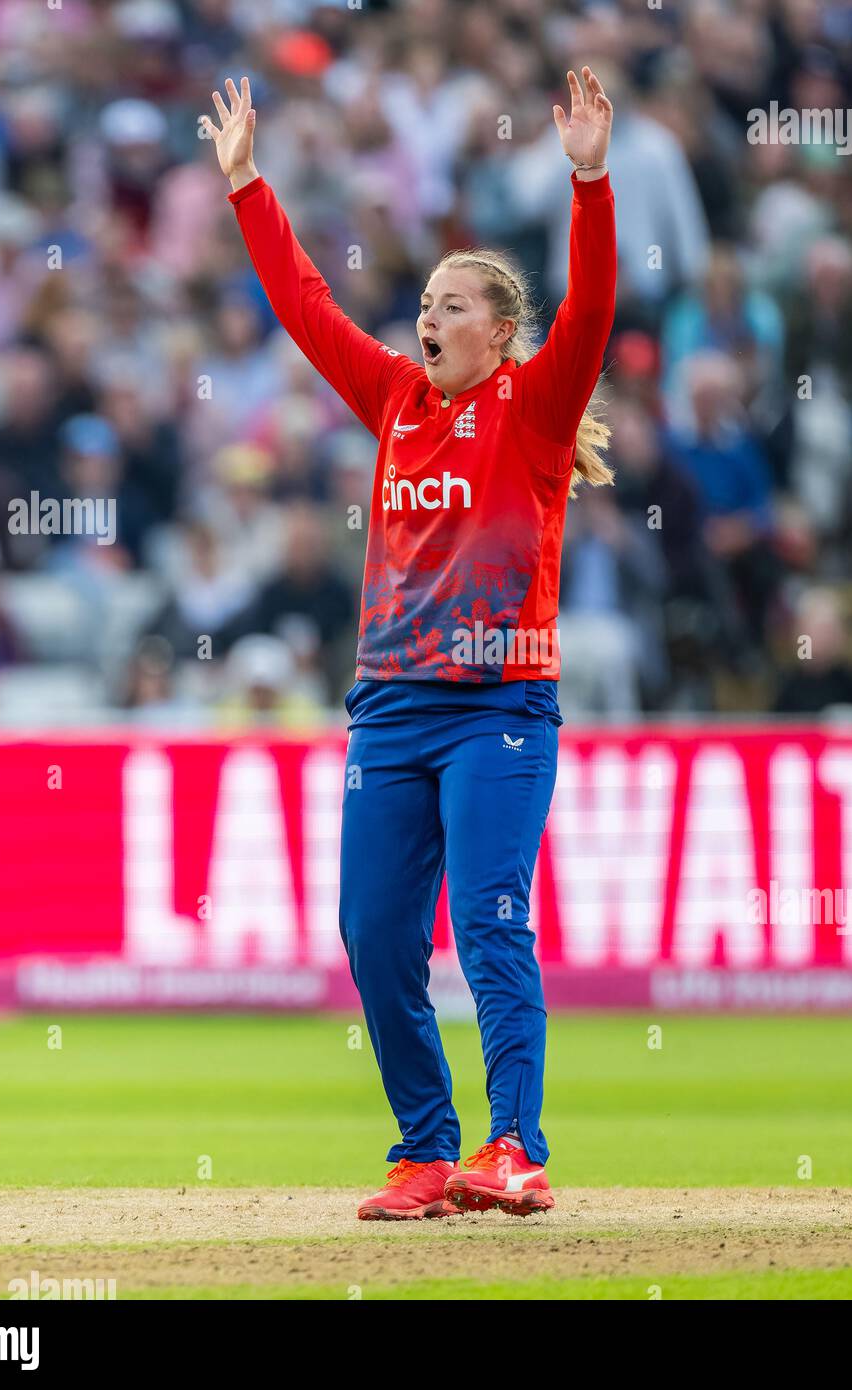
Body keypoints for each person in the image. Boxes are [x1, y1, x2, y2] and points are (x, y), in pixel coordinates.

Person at [204, 70, 616, 1219]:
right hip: (388, 705)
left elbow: (592, 312)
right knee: (374, 933)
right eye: (424, 302)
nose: (426, 317)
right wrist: (247, 185)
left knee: (489, 918)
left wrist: (589, 180)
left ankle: (515, 1147)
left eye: (451, 304)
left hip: (498, 706)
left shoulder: (533, 407)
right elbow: (303, 306)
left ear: (502, 331)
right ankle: (428, 1151)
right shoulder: (393, 399)